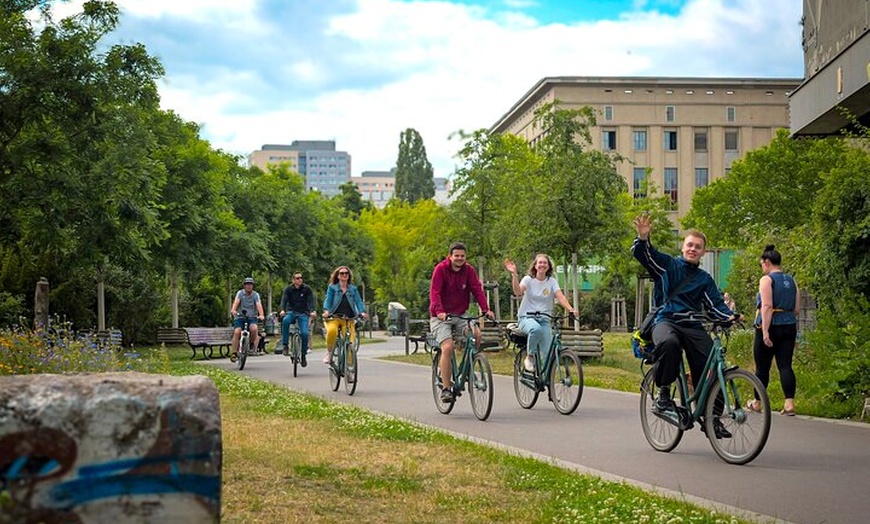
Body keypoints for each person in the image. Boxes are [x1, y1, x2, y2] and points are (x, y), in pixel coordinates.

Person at [631, 214, 736, 438]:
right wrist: (643, 238)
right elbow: (646, 255)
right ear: (682, 247)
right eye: (689, 245)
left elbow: (715, 305)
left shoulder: (704, 279)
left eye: (698, 247)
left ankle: (713, 419)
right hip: (666, 320)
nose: (693, 249)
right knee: (669, 344)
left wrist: (730, 317)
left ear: (703, 252)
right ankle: (664, 397)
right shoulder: (668, 265)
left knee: (711, 363)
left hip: (692, 325)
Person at [429, 242, 495, 403]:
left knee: (477, 334)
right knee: (448, 347)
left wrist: (486, 309)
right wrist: (440, 312)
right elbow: (435, 292)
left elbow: (477, 290)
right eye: (456, 255)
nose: (459, 258)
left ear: (466, 257)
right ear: (450, 256)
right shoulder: (441, 269)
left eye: (462, 256)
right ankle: (446, 388)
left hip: (460, 315)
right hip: (440, 316)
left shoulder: (469, 271)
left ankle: (468, 367)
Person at [747, 244, 800, 416]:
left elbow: (767, 306)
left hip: (771, 325)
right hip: (789, 325)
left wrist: (765, 331)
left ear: (767, 262)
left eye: (761, 263)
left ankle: (757, 402)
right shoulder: (791, 280)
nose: (762, 267)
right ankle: (789, 403)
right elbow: (796, 308)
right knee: (785, 365)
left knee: (762, 367)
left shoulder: (766, 280)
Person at [504, 254, 577, 372]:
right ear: (535, 265)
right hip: (526, 318)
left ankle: (546, 380)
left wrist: (571, 309)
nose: (542, 265)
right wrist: (514, 274)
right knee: (535, 329)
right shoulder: (528, 280)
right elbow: (518, 292)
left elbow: (560, 296)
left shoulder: (552, 282)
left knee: (548, 353)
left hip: (544, 319)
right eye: (540, 263)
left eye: (545, 263)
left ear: (548, 267)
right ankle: (530, 356)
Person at [321, 266, 367, 364]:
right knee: (332, 331)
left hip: (349, 319)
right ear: (337, 276)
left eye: (346, 273)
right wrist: (327, 311)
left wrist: (362, 312)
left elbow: (358, 301)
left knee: (350, 343)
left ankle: (349, 369)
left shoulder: (353, 289)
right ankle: (329, 353)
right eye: (342, 273)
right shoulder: (332, 287)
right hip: (335, 317)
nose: (344, 275)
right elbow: (328, 300)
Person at [279, 272, 317, 367]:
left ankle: (303, 355)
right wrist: (283, 310)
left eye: (301, 278)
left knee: (304, 333)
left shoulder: (307, 289)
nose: (299, 279)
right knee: (285, 321)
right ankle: (285, 345)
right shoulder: (288, 289)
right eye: (297, 278)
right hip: (291, 312)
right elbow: (284, 299)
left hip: (303, 313)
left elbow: (311, 301)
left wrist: (313, 311)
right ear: (293, 280)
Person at [230, 277, 265, 358]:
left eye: (250, 285)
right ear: (244, 286)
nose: (249, 286)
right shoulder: (240, 293)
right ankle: (234, 353)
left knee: (254, 328)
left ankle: (252, 344)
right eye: (247, 284)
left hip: (252, 317)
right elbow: (236, 302)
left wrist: (261, 314)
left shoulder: (255, 295)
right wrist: (233, 310)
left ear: (252, 286)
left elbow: (258, 304)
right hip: (240, 316)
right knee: (237, 332)